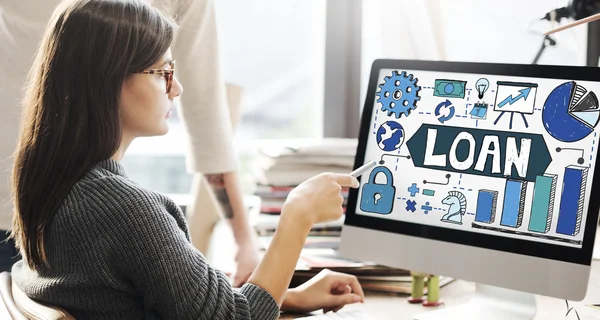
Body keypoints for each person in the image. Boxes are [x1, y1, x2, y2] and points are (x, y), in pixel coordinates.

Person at [9, 0, 365, 318]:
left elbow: (173, 299)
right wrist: (298, 214)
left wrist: (287, 297)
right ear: (108, 80)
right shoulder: (124, 211)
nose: (176, 87)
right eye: (162, 73)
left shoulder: (53, 185)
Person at [0, 0, 261, 285]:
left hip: (36, 202)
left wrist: (242, 240)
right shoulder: (133, 214)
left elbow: (206, 117)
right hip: (32, 213)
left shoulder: (122, 208)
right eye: (162, 73)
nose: (175, 88)